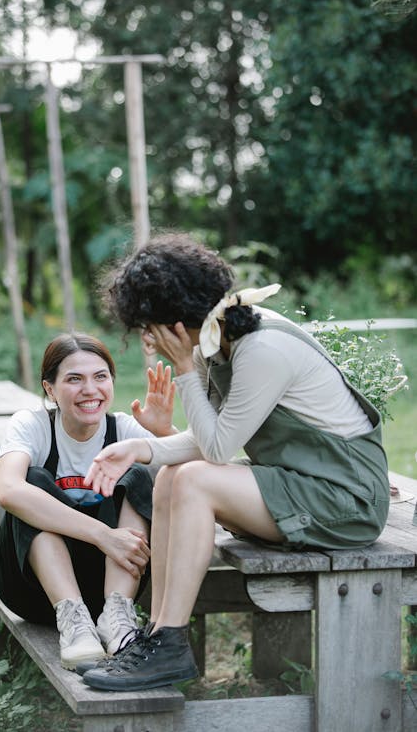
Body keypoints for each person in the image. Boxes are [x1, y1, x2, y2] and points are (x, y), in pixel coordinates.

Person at [81, 232, 390, 691]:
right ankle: (159, 637)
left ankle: (169, 642)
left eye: (149, 327)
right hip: (301, 482)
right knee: (170, 478)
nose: (148, 338)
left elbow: (220, 449)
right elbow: (210, 439)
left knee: (193, 482)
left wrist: (185, 369)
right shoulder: (216, 339)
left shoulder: (260, 349)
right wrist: (141, 449)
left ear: (175, 322)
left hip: (348, 499)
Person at [0, 331, 176, 671]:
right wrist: (103, 535)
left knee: (136, 475)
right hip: (33, 590)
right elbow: (8, 491)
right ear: (50, 388)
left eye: (100, 377)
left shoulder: (123, 430)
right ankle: (73, 620)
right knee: (32, 482)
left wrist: (164, 433)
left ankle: (118, 618)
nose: (90, 390)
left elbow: (197, 476)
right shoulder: (33, 426)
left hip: (106, 587)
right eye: (74, 379)